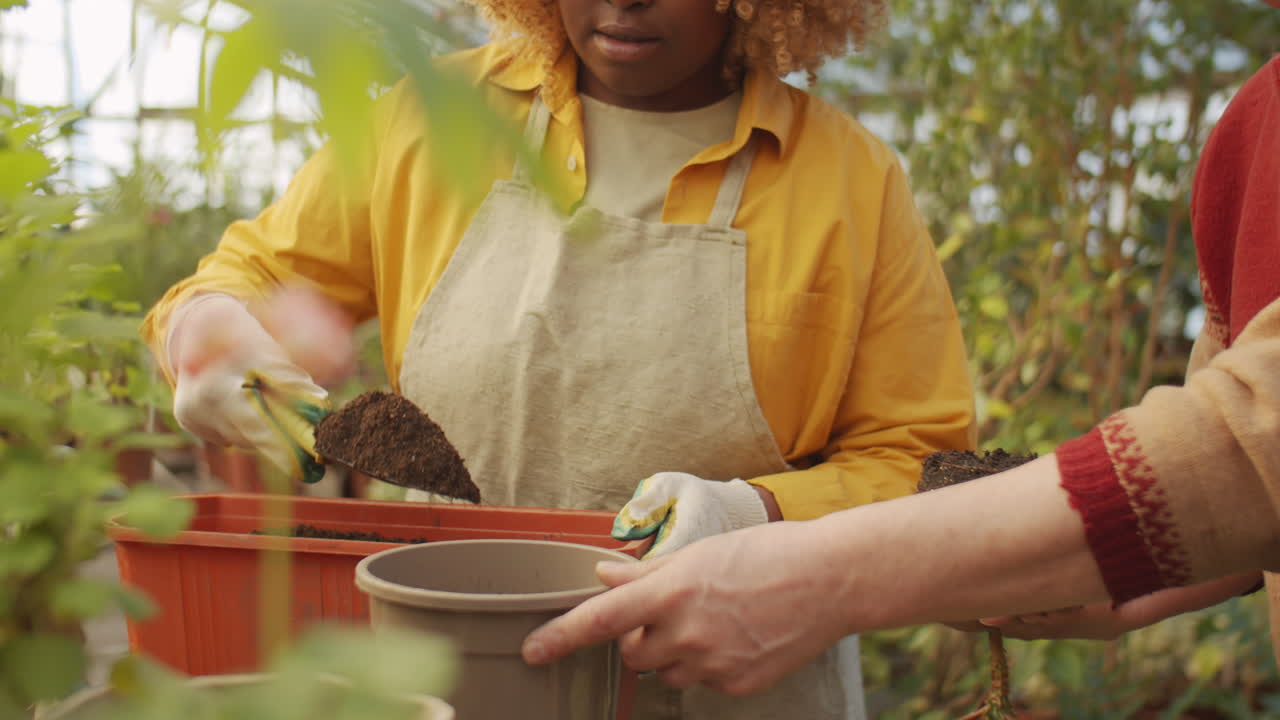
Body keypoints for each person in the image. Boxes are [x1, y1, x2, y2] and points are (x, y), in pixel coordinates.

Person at [141, 0, 976, 716]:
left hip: (740, 678)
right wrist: (206, 331)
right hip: (448, 666)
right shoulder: (436, 118)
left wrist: (755, 512)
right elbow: (249, 275)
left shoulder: (848, 182)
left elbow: (917, 459)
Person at [520, 5, 1280, 697]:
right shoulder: (1249, 134)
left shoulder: (849, 174)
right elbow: (1243, 476)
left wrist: (774, 531)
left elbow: (1247, 445)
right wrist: (1098, 561)